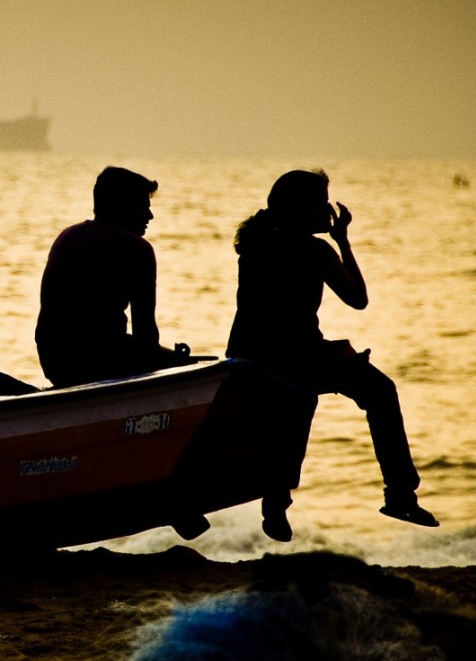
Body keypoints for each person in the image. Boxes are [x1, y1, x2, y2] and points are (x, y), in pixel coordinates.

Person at [226, 168, 439, 541]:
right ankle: (401, 494)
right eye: (321, 202)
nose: (328, 210)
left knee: (298, 402)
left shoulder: (254, 245)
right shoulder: (315, 251)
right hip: (295, 356)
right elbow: (358, 299)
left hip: (249, 355)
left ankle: (276, 501)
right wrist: (344, 242)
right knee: (379, 392)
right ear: (300, 208)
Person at [35, 166, 189, 388]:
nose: (150, 216)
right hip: (100, 360)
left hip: (54, 360)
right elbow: (145, 333)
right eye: (144, 207)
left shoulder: (67, 236)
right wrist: (176, 363)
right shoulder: (137, 249)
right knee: (177, 364)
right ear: (124, 206)